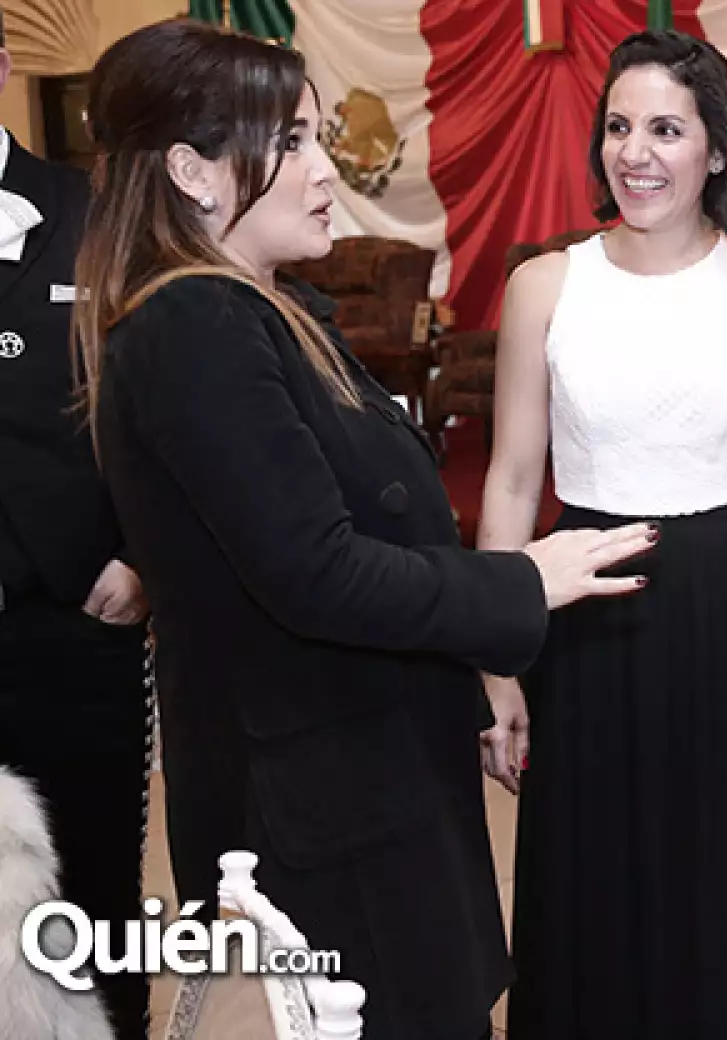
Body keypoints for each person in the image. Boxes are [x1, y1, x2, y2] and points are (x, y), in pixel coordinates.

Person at [74, 21, 655, 1040]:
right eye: (292, 142)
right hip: (321, 815)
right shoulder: (195, 325)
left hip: (363, 777)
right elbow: (317, 571)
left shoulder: (259, 308)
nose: (322, 171)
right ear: (193, 171)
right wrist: (522, 578)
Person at [480, 29, 727, 1040]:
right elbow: (513, 482)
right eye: (618, 126)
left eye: (665, 129)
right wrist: (496, 661)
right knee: (592, 864)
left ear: (718, 151)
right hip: (590, 602)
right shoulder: (544, 288)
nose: (633, 152)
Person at [0, 12, 153, 1038]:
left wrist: (148, 554)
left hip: (73, 628)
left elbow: (167, 406)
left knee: (91, 912)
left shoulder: (95, 214)